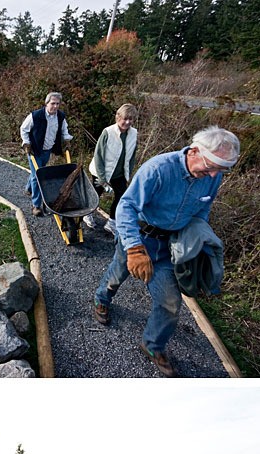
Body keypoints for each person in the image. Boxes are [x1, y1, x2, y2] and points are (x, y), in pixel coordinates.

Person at [93, 125, 240, 377]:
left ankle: (153, 345)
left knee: (170, 303)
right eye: (212, 166)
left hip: (169, 246)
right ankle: (102, 300)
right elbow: (126, 207)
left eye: (222, 169)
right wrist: (135, 249)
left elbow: (202, 212)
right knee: (118, 274)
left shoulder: (212, 177)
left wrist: (196, 247)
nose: (215, 174)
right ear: (194, 151)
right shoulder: (159, 168)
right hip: (139, 236)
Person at [83, 103, 138, 233]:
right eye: (125, 119)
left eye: (130, 119)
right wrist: (102, 178)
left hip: (119, 173)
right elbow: (98, 156)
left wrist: (128, 174)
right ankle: (87, 214)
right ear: (118, 117)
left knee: (121, 196)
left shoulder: (134, 134)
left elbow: (132, 156)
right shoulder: (108, 132)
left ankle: (112, 222)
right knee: (96, 194)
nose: (127, 122)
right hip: (102, 171)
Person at [20, 91, 73, 217]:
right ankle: (36, 205)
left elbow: (64, 130)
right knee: (38, 176)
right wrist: (27, 143)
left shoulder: (60, 116)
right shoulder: (35, 116)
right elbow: (24, 129)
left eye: (57, 104)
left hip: (47, 150)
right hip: (35, 150)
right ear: (46, 103)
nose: (55, 106)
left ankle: (29, 188)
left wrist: (66, 140)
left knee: (38, 171)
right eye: (52, 103)